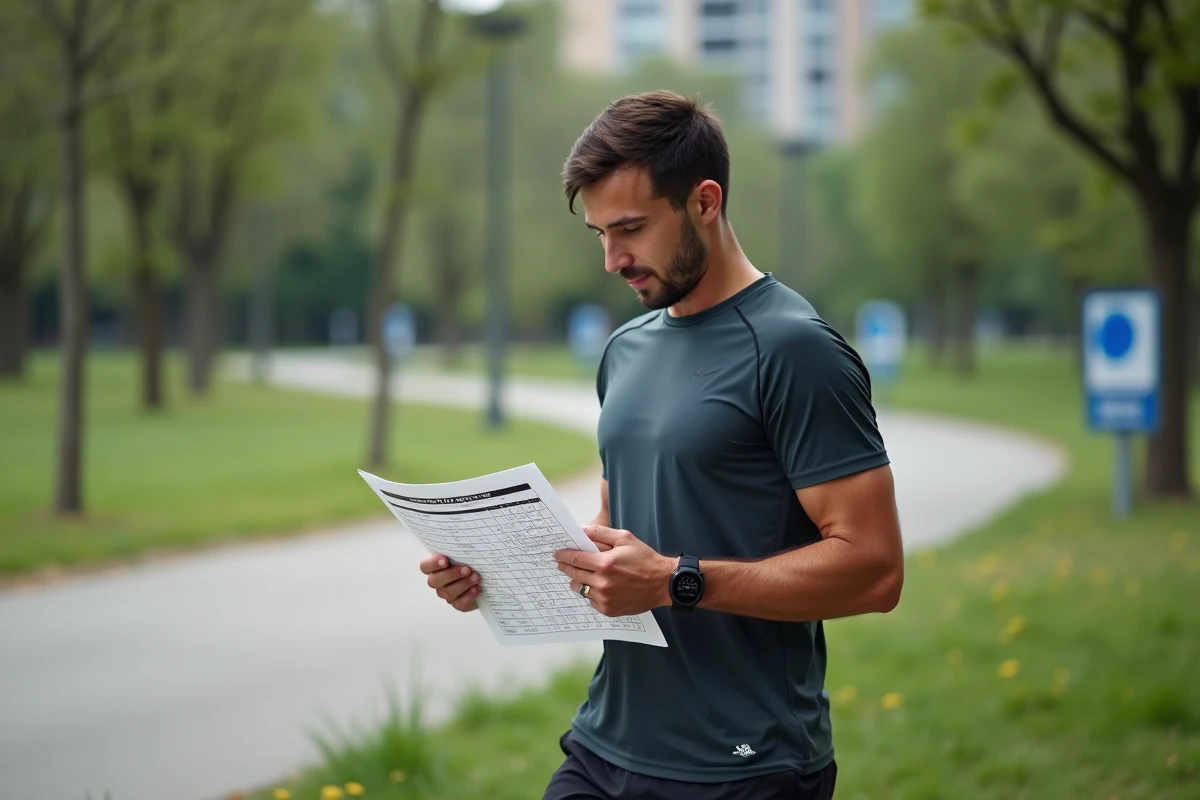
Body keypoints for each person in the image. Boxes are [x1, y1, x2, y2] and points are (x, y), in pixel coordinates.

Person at [419, 90, 904, 800]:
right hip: (605, 742)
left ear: (705, 201)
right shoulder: (625, 352)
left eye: (632, 229)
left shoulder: (796, 350)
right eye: (599, 235)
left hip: (741, 764)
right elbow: (623, 551)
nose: (613, 259)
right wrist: (492, 575)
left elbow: (875, 571)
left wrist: (678, 580)